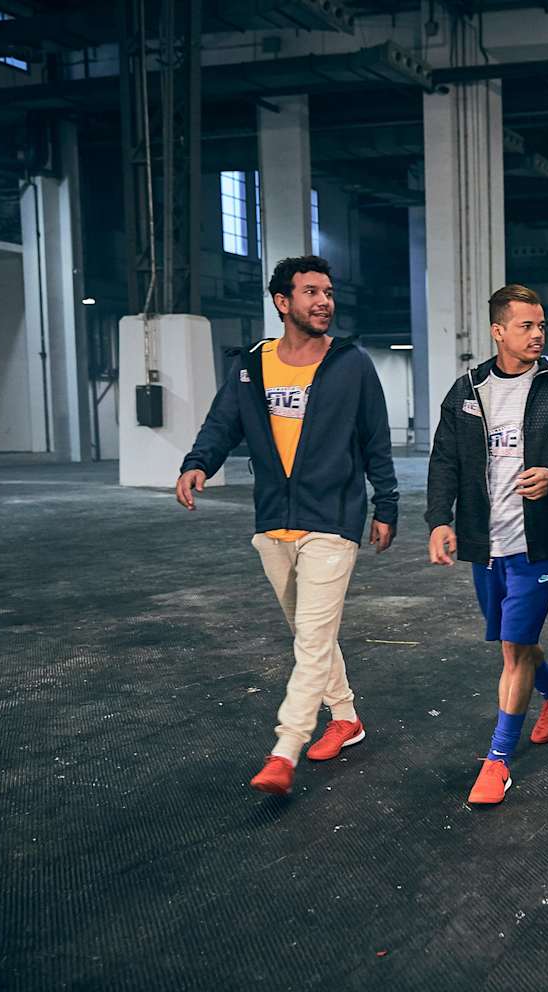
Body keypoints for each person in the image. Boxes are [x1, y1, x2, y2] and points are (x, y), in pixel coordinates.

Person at [176, 255, 398, 796]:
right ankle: (345, 717)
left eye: (328, 292)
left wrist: (386, 504)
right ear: (282, 302)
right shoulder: (252, 364)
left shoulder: (351, 364)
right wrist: (197, 462)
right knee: (309, 632)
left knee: (312, 640)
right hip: (275, 518)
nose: (324, 302)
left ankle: (285, 748)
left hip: (333, 516)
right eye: (311, 292)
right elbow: (222, 422)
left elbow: (375, 438)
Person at [425, 284, 548, 806]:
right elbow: (445, 460)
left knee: (513, 648)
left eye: (541, 325)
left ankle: (497, 760)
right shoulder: (466, 391)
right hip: (484, 542)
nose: (538, 334)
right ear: (498, 331)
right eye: (526, 326)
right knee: (512, 639)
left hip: (536, 543)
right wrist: (439, 520)